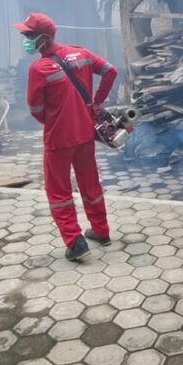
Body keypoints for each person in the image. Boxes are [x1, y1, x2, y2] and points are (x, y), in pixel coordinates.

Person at [14, 13, 118, 261]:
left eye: (29, 36)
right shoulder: (80, 53)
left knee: (58, 191)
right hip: (85, 133)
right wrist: (96, 103)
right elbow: (110, 71)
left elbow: (36, 109)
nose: (25, 40)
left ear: (44, 38)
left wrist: (54, 120)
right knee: (90, 183)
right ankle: (101, 231)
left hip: (58, 138)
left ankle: (75, 241)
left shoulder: (38, 68)